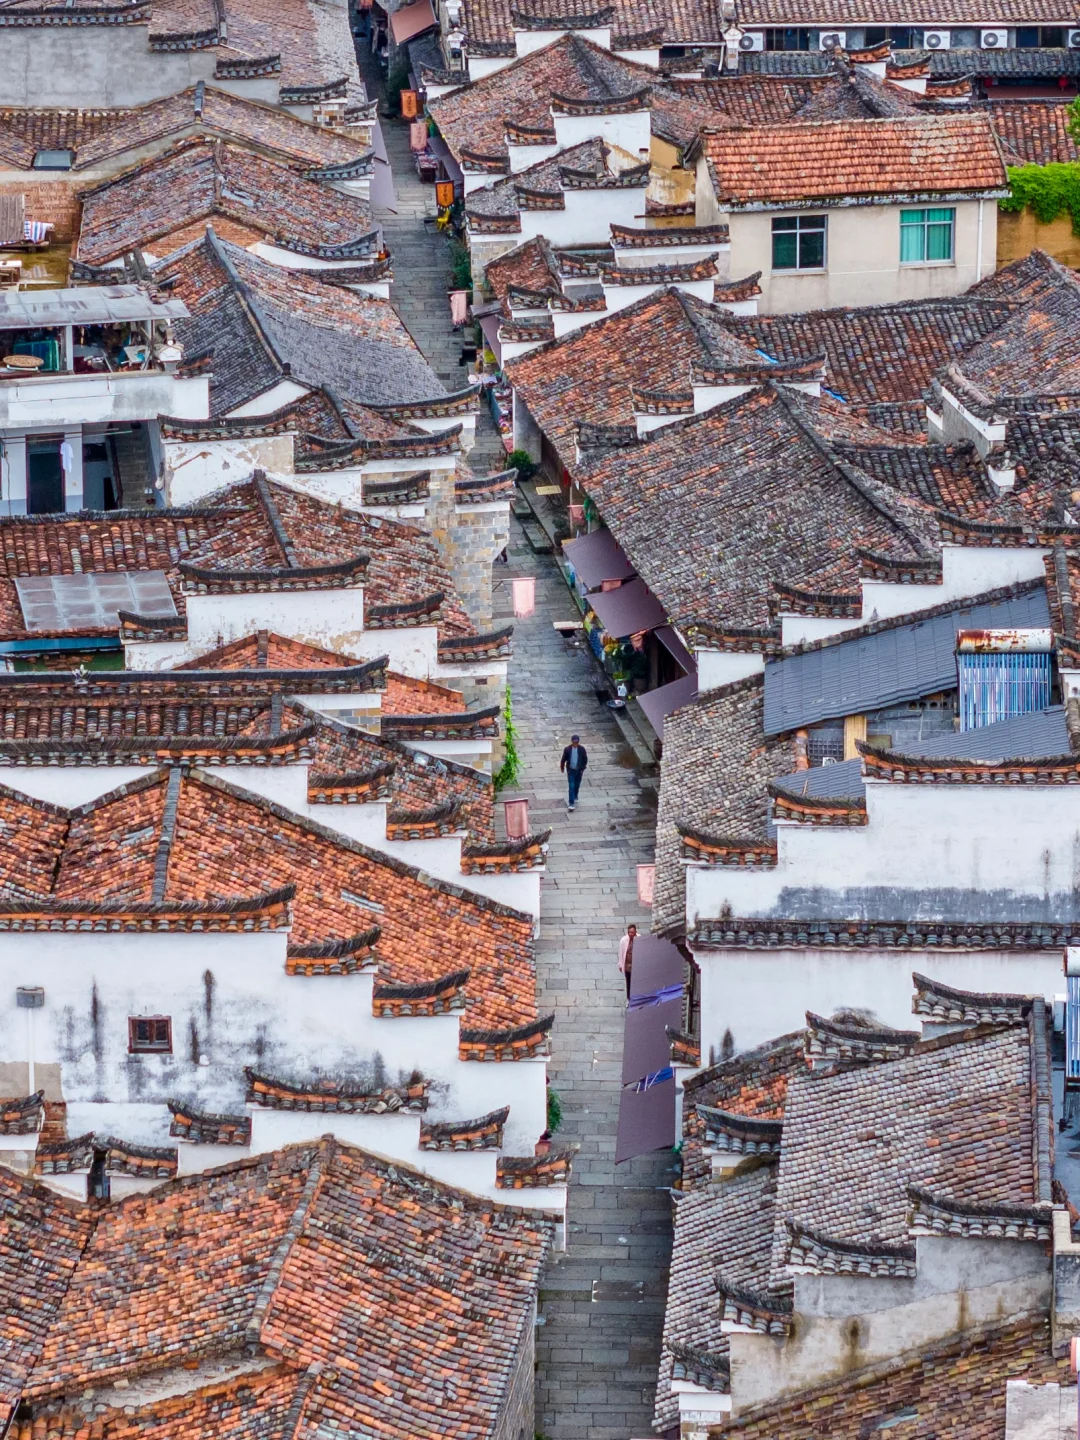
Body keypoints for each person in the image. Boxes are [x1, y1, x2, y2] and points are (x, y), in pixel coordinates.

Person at [560, 734, 588, 810]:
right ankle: (571, 803)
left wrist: (582, 768)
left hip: (579, 771)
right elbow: (563, 759)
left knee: (577, 784)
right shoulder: (567, 749)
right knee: (571, 786)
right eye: (574, 742)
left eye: (577, 742)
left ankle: (575, 795)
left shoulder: (582, 749)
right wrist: (562, 767)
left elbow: (585, 759)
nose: (575, 744)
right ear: (572, 742)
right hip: (571, 770)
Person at [618, 923, 637, 1001]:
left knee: (636, 982)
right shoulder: (623, 940)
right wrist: (620, 964)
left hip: (636, 964)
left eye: (632, 932)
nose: (630, 934)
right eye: (629, 932)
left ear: (635, 932)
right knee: (628, 981)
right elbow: (621, 952)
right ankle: (629, 998)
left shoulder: (639, 938)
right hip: (627, 965)